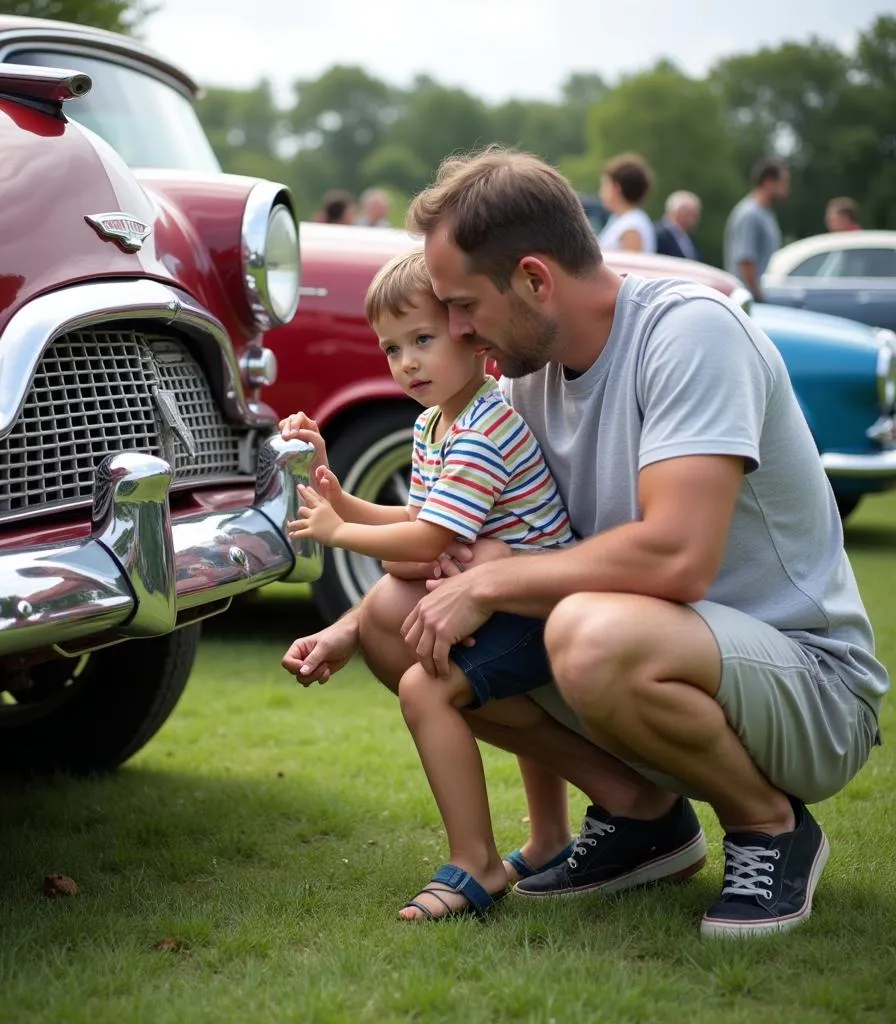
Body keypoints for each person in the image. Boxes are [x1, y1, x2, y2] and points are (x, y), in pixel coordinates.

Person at [283, 146, 888, 939]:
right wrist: (353, 621)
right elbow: (449, 541)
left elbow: (677, 557)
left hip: (809, 687)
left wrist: (502, 578)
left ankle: (770, 827)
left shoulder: (689, 335)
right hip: (654, 658)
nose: (455, 328)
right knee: (402, 618)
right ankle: (642, 819)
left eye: (464, 306)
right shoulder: (524, 377)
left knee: (582, 630)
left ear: (535, 280)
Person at [281, 249, 576, 920]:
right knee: (418, 640)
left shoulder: (484, 427)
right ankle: (552, 838)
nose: (407, 362)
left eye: (423, 339)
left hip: (542, 608)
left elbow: (426, 543)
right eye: (391, 348)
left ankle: (476, 862)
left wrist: (335, 532)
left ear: (471, 338)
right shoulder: (433, 422)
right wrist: (334, 489)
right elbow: (422, 518)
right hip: (502, 598)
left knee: (426, 688)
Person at [723, 158, 789, 300]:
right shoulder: (750, 214)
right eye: (783, 182)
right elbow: (745, 261)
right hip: (747, 299)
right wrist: (758, 295)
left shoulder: (765, 213)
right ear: (768, 182)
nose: (786, 188)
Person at [597, 153, 657, 253]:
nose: (600, 192)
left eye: (605, 185)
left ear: (616, 189)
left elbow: (632, 266)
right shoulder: (619, 219)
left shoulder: (632, 226)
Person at [655, 190, 702, 261]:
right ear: (678, 213)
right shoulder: (658, 234)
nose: (697, 218)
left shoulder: (686, 237)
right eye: (693, 214)